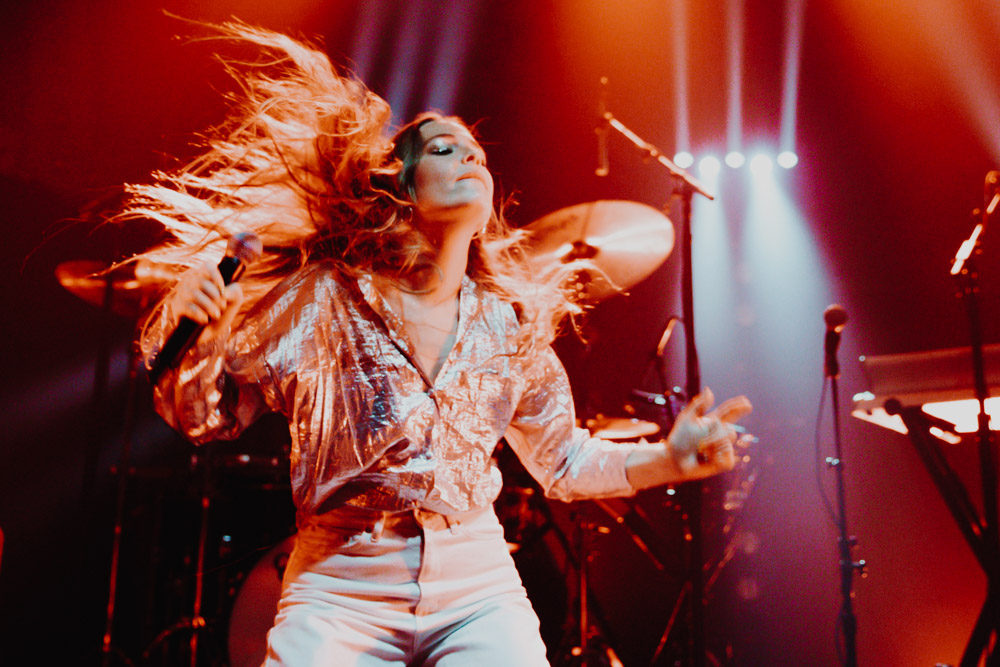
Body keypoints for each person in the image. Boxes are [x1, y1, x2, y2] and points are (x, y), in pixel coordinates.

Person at [126, 19, 751, 667]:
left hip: (477, 586)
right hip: (340, 586)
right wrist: (198, 337)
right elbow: (209, 418)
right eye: (446, 149)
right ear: (402, 185)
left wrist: (667, 460)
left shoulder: (507, 324)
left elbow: (562, 460)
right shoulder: (324, 297)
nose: (471, 158)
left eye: (477, 153)